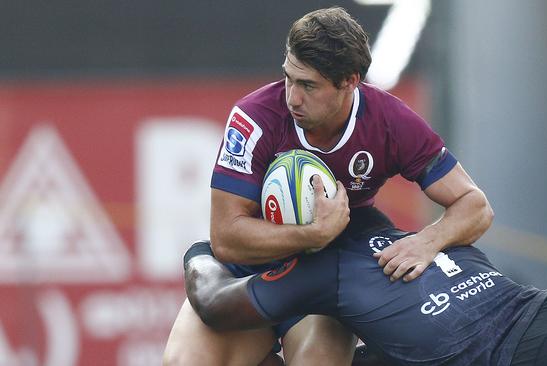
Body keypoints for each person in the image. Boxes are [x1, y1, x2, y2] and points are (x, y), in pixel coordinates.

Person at [163, 6, 493, 366]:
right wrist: (313, 234)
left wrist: (426, 241)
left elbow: (475, 206)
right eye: (288, 77)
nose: (292, 97)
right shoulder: (254, 117)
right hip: (251, 269)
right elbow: (225, 238)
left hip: (328, 275)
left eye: (308, 85)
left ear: (350, 81)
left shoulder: (391, 121)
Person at [182, 214, 547, 366]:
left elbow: (213, 304)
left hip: (533, 352)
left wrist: (207, 246)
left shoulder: (324, 272)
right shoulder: (418, 236)